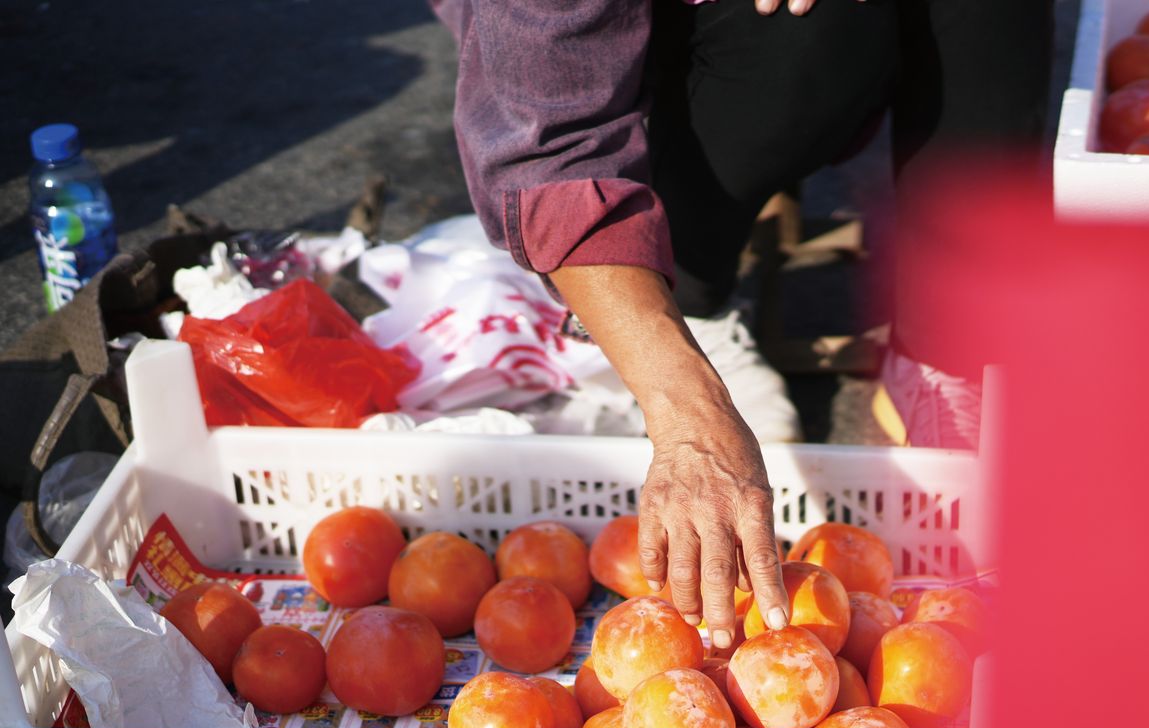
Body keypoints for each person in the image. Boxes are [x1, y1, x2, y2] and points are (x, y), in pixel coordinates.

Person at [431, 0, 1048, 648]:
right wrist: (688, 413)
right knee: (805, 33)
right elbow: (553, 152)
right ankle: (684, 304)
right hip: (642, 59)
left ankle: (946, 349)